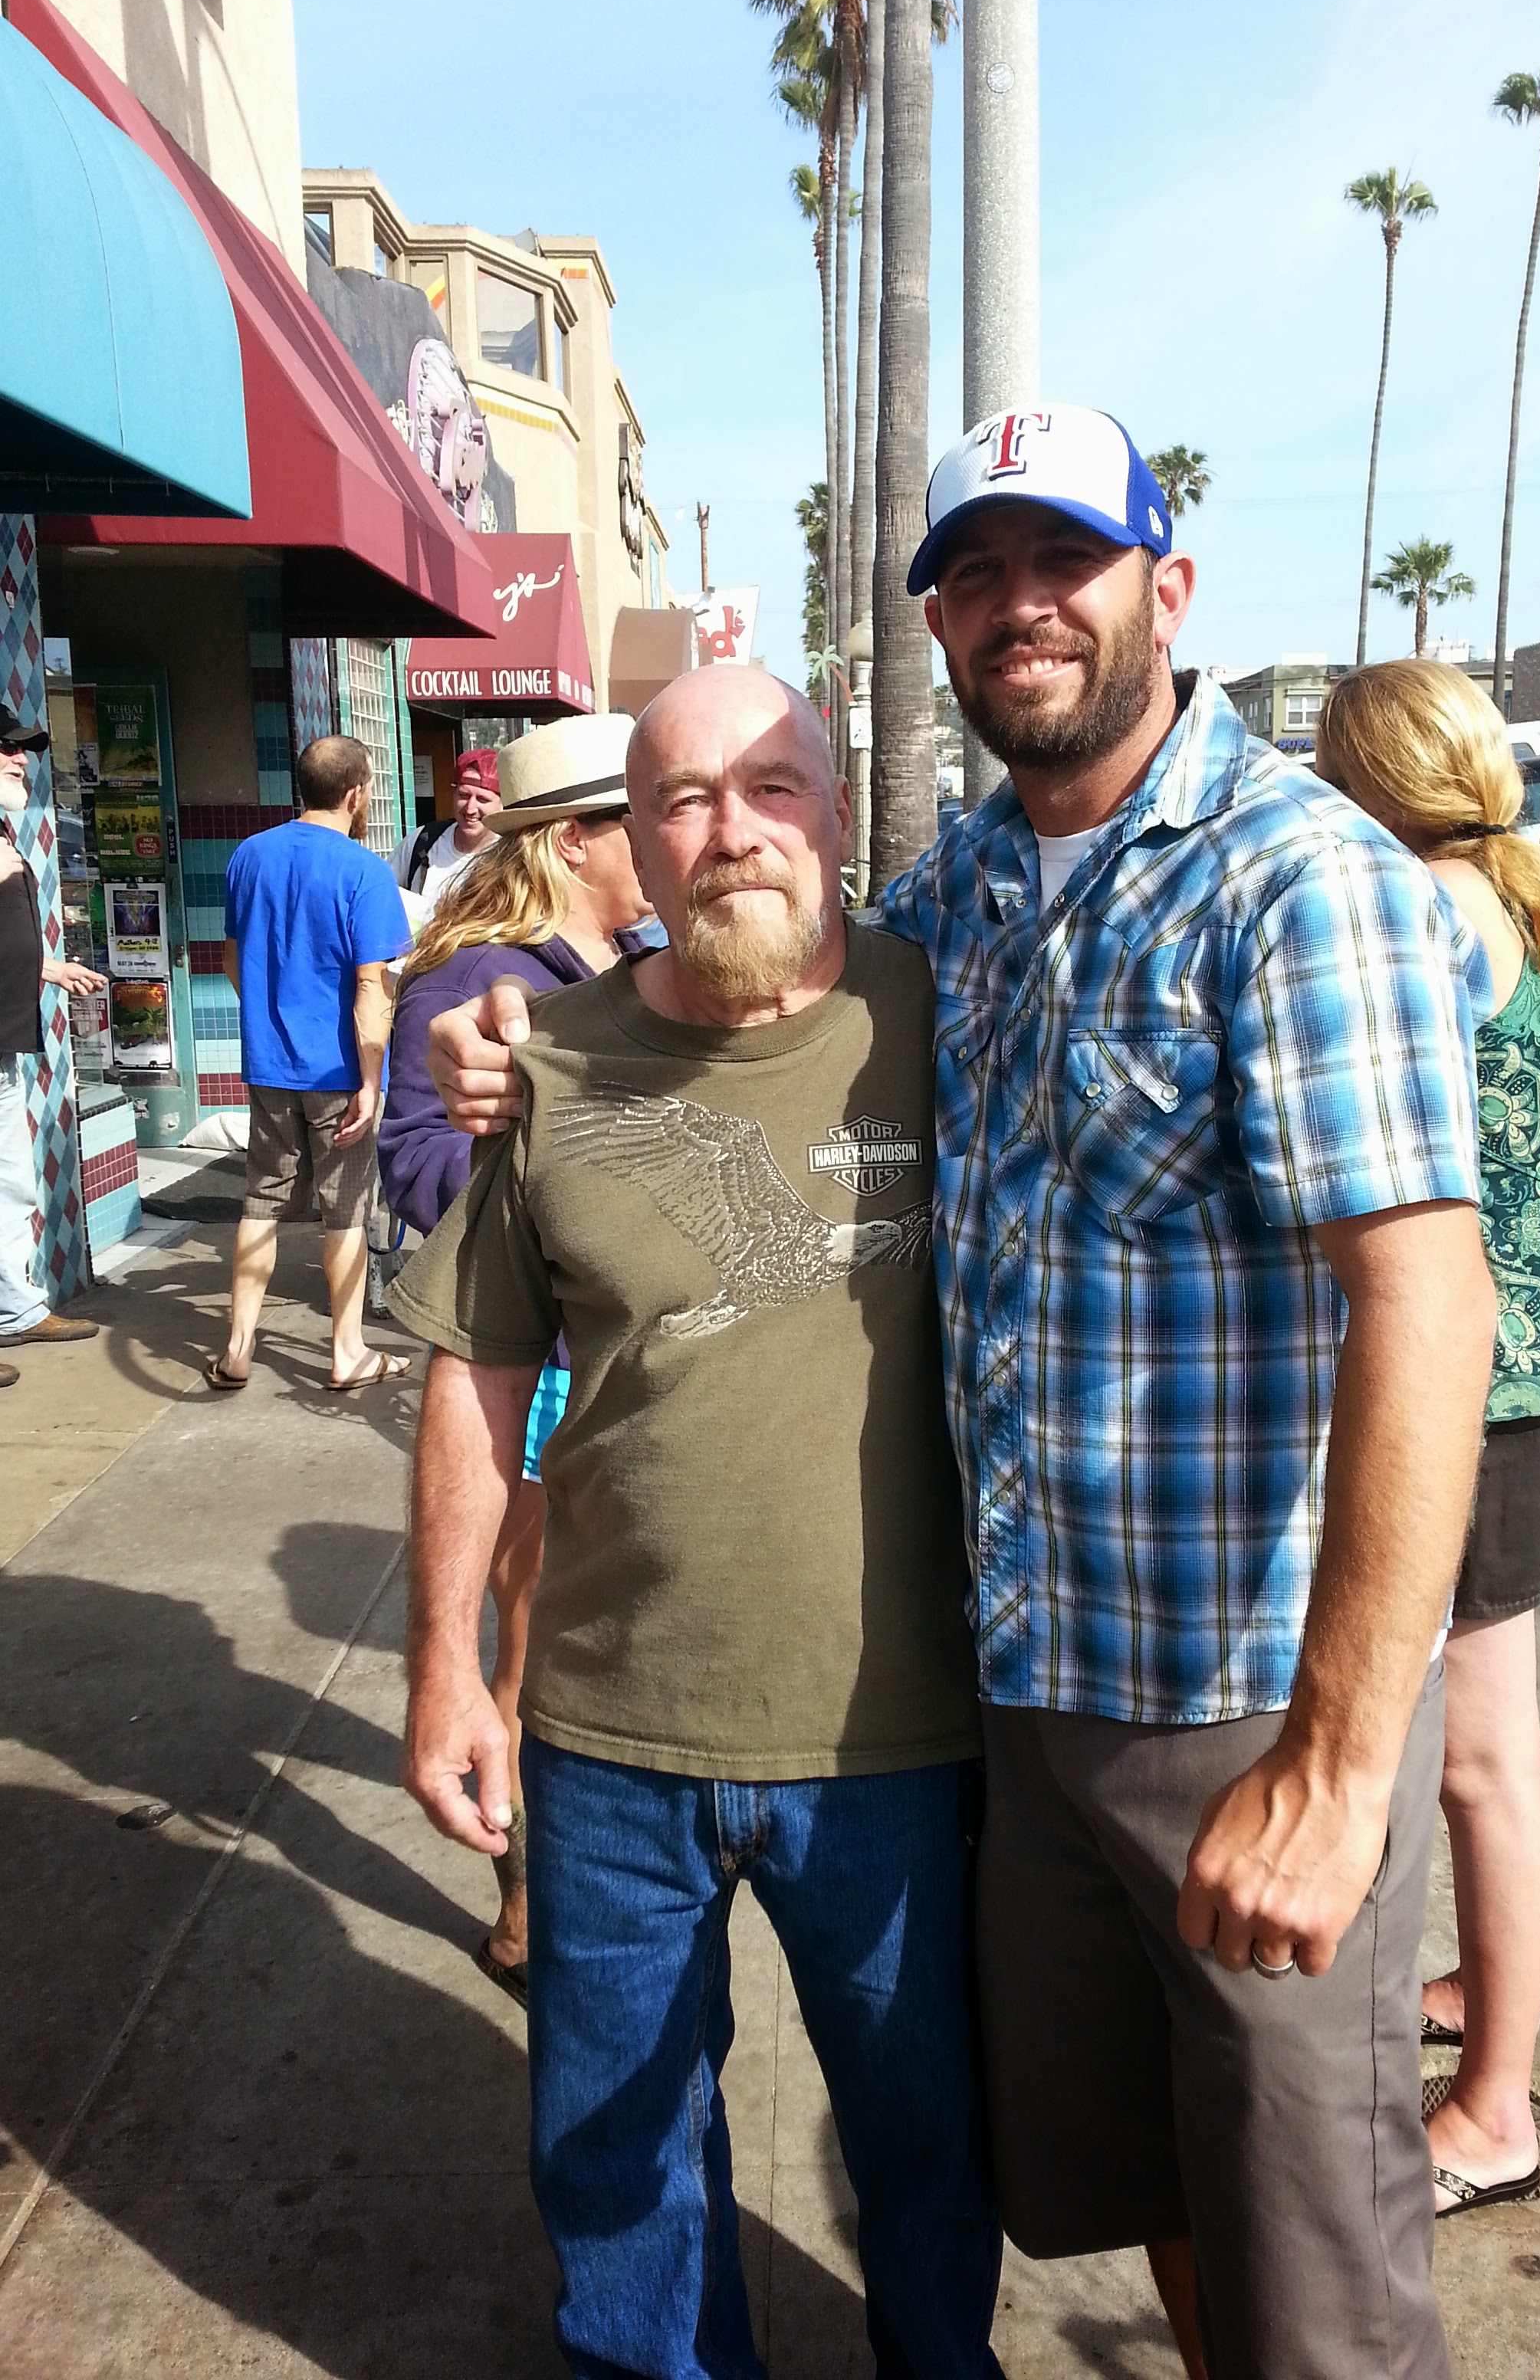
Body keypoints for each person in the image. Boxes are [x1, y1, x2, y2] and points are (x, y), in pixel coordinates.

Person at [426, 409, 1499, 2380]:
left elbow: (1428, 1302)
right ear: (935, 630)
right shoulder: (970, 892)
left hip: (1234, 1706)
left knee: (1317, 2280)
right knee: (1138, 2199)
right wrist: (528, 1029)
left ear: (1163, 590)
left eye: (1064, 562)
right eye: (975, 575)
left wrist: (1346, 1768)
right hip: (1013, 1717)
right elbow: (759, 976)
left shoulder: (1291, 879)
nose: (1020, 608)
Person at [392, 666, 1004, 2380]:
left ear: (836, 814)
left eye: (769, 788)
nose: (728, 833)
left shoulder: (955, 1017)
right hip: (607, 1739)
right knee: (616, 2170)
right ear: (627, 849)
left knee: (933, 2164)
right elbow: (471, 1373)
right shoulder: (547, 1068)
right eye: (678, 801)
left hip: (898, 1737)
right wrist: (450, 1669)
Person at [1314, 658, 1540, 2218]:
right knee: (1484, 1753)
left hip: (1485, 1391)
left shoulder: (1427, 912)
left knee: (1484, 1763)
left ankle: (1497, 2109)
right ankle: (1477, 1999)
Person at [378, 712, 660, 2007]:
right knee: (538, 1649)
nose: (675, 836)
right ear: (580, 838)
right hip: (537, 1365)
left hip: (604, 1362)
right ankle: (528, 1913)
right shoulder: (483, 975)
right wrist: (545, 1168)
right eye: (644, 814)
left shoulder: (632, 954)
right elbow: (417, 1157)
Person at [209, 733, 412, 1394]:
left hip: (268, 1066)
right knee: (346, 1207)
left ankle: (237, 1348)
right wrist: (372, 1081)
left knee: (261, 1201)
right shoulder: (364, 871)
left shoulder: (249, 856)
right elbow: (370, 987)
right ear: (357, 793)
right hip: (337, 1069)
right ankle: (346, 1351)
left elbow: (234, 962)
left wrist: (274, 1020)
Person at [0, 710, 106, 1375]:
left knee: (12, 1182)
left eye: (25, 751)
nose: (21, 761)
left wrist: (46, 967)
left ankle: (17, 1308)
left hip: (5, 1041)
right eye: (7, 749)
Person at [391, 746, 501, 929]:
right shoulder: (423, 840)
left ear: (502, 804)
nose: (470, 809)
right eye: (464, 796)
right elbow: (383, 895)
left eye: (482, 799)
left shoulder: (512, 855)